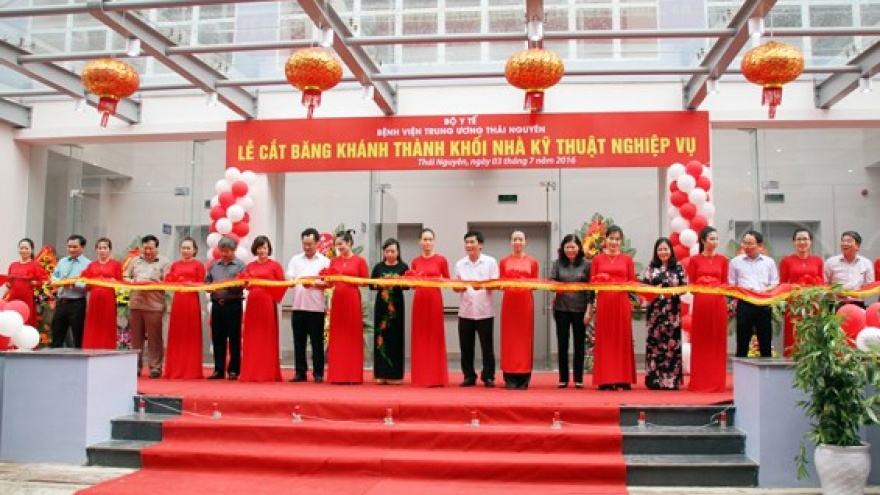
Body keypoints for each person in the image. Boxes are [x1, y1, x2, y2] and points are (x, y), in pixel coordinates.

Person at [590, 225, 637, 391]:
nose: (614, 242)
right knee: (606, 339)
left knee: (622, 338)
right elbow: (591, 283)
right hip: (604, 302)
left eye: (617, 239)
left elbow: (632, 282)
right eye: (611, 238)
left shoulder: (627, 260)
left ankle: (623, 378)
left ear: (621, 241)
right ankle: (606, 379)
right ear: (605, 240)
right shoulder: (597, 260)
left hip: (621, 302)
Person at [687, 226, 730, 392]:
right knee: (701, 341)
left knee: (717, 341)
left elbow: (725, 283)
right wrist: (704, 284)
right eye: (711, 239)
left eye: (716, 239)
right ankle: (700, 381)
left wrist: (715, 285)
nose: (715, 242)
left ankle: (717, 382)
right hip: (702, 304)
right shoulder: (695, 260)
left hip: (718, 304)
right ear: (703, 241)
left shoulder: (723, 260)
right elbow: (691, 286)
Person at [454, 230, 499, 388]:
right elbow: (456, 286)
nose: (469, 245)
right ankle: (468, 376)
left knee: (487, 347)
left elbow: (496, 284)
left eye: (472, 242)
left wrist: (481, 285)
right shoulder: (460, 264)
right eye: (466, 242)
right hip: (465, 311)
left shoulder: (490, 262)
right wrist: (458, 288)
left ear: (480, 244)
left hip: (485, 310)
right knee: (466, 347)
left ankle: (488, 376)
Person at [642, 237, 686, 390]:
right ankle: (655, 380)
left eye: (665, 249)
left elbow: (684, 288)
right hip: (655, 312)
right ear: (656, 252)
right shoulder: (651, 267)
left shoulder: (678, 267)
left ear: (671, 250)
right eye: (660, 249)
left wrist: (672, 291)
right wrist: (656, 289)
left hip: (672, 311)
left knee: (671, 345)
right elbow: (643, 288)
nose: (663, 252)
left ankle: (671, 380)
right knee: (655, 345)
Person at [286, 227, 330, 383]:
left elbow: (329, 283)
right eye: (304, 244)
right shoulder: (295, 260)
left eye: (310, 244)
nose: (307, 247)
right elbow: (289, 279)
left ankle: (318, 372)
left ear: (317, 243)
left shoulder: (325, 261)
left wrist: (313, 283)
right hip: (298, 307)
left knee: (317, 342)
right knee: (299, 342)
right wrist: (294, 281)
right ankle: (300, 372)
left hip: (316, 308)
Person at [240, 235, 286, 382]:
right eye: (259, 248)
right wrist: (245, 284)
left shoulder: (275, 266)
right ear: (255, 249)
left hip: (267, 303)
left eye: (264, 247)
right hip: (253, 302)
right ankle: (251, 371)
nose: (262, 250)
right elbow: (244, 284)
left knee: (267, 336)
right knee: (252, 336)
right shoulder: (250, 266)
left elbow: (282, 284)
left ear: (268, 249)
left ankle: (267, 372)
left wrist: (272, 295)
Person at [549, 234, 593, 389]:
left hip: (580, 308)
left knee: (579, 344)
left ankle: (579, 378)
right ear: (562, 249)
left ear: (579, 248)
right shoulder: (557, 263)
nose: (570, 250)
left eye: (573, 247)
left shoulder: (587, 264)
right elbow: (551, 281)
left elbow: (591, 289)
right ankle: (563, 378)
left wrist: (589, 310)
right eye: (567, 247)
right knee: (562, 343)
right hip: (561, 308)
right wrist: (556, 288)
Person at [124, 235, 171, 378]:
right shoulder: (135, 261)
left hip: (154, 305)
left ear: (157, 247)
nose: (148, 251)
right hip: (136, 304)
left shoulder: (164, 262)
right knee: (136, 338)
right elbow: (125, 277)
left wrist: (153, 282)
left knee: (154, 338)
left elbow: (169, 281)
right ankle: (136, 367)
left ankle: (155, 367)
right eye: (145, 248)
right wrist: (133, 281)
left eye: (151, 248)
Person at [326, 230, 369, 384]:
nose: (339, 247)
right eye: (337, 244)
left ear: (350, 243)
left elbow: (365, 282)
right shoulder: (334, 261)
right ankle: (337, 375)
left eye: (341, 243)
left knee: (352, 335)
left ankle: (352, 375)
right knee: (338, 336)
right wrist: (314, 284)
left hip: (352, 300)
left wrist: (349, 279)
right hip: (338, 300)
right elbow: (329, 283)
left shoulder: (359, 261)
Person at [409, 228, 450, 387]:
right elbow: (412, 285)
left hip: (434, 299)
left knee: (435, 335)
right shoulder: (415, 261)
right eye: (424, 239)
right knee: (420, 336)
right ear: (419, 242)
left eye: (430, 239)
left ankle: (436, 377)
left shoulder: (441, 260)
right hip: (419, 300)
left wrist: (438, 282)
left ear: (434, 241)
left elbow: (447, 280)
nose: (427, 242)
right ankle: (420, 376)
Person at [499, 230, 540, 390]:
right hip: (509, 303)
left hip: (525, 303)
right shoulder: (503, 262)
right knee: (509, 338)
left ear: (525, 242)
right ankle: (509, 377)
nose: (517, 242)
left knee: (524, 338)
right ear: (511, 242)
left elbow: (535, 285)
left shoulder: (532, 262)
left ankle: (524, 377)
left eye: (520, 239)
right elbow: (501, 284)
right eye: (514, 239)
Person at [729, 230, 778, 358]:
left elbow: (775, 283)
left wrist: (764, 291)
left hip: (764, 303)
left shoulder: (769, 262)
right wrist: (744, 290)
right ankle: (741, 373)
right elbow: (731, 284)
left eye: (750, 243)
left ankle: (767, 373)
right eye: (744, 243)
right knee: (742, 341)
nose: (747, 246)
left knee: (765, 340)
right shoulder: (735, 262)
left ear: (760, 245)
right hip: (745, 304)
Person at [163, 237, 206, 379]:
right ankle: (174, 368)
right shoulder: (175, 265)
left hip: (191, 301)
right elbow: (169, 281)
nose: (185, 250)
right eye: (183, 248)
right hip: (178, 301)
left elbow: (202, 284)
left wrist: (189, 284)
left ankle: (191, 369)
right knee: (177, 333)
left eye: (188, 248)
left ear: (194, 250)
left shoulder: (199, 265)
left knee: (190, 334)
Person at [778, 228, 824, 357]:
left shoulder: (818, 261)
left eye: (805, 239)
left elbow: (822, 283)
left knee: (812, 335)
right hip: (794, 305)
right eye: (799, 239)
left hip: (812, 304)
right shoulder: (787, 261)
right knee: (793, 336)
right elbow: (783, 284)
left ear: (811, 241)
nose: (802, 242)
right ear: (793, 242)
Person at [205, 237, 245, 380]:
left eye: (227, 251)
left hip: (233, 304)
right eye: (222, 251)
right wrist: (210, 287)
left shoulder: (240, 266)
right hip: (217, 305)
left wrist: (226, 285)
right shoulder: (214, 265)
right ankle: (218, 369)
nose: (224, 253)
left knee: (234, 338)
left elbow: (243, 284)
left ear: (234, 250)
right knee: (218, 338)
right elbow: (207, 282)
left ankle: (234, 370)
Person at [370, 238, 409, 384]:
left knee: (396, 338)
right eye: (387, 251)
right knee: (381, 338)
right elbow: (371, 285)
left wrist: (397, 282)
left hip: (397, 306)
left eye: (393, 251)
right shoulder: (378, 267)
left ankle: (395, 375)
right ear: (384, 252)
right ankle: (380, 373)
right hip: (381, 306)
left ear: (398, 252)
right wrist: (381, 283)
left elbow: (407, 286)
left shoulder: (403, 267)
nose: (390, 254)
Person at [81, 237, 123, 350]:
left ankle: (107, 348)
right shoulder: (91, 265)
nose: (102, 250)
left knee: (107, 323)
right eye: (100, 248)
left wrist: (114, 282)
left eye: (105, 248)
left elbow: (121, 283)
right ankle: (91, 348)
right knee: (93, 323)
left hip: (108, 297)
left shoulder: (116, 265)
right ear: (96, 250)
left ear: (110, 250)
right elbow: (87, 285)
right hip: (94, 297)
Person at [5, 238, 47, 348]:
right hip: (13, 297)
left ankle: (26, 344)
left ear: (31, 250)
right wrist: (8, 284)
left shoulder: (35, 265)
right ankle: (11, 345)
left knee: (26, 319)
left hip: (27, 297)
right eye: (21, 248)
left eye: (26, 248)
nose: (24, 250)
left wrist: (35, 283)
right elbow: (10, 280)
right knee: (12, 319)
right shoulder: (13, 265)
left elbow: (43, 280)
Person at [50, 234, 90, 348]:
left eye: (75, 247)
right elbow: (54, 277)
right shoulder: (62, 261)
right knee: (57, 333)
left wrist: (73, 284)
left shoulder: (88, 264)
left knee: (78, 335)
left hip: (77, 303)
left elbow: (88, 284)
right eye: (69, 246)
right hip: (61, 302)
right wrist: (60, 282)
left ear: (83, 247)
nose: (71, 249)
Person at [824, 230, 875, 309]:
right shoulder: (830, 262)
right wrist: (834, 293)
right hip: (836, 304)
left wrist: (855, 294)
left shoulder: (866, 263)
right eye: (843, 241)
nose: (845, 243)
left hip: (857, 304)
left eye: (849, 241)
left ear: (857, 246)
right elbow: (824, 284)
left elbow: (870, 287)